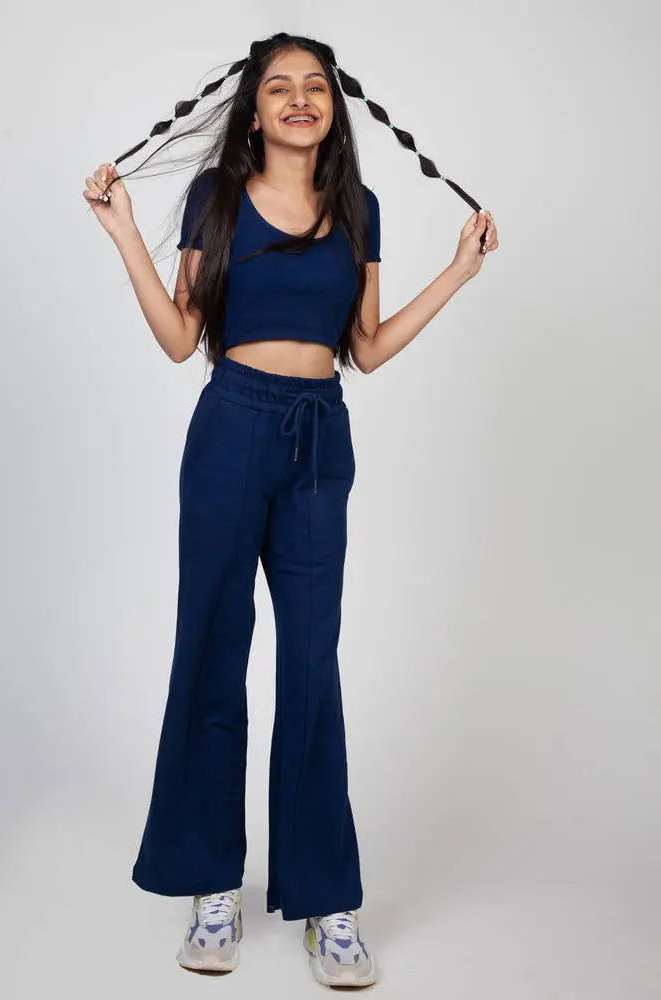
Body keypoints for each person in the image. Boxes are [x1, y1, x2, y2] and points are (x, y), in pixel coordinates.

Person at [82, 31, 498, 990]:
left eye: (315, 86)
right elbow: (180, 337)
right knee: (212, 649)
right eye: (280, 87)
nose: (301, 98)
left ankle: (324, 901)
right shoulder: (216, 199)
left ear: (333, 109)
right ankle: (211, 884)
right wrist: (123, 234)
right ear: (255, 111)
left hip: (319, 440)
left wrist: (458, 272)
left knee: (312, 664)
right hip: (231, 426)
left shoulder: (359, 208)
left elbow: (368, 347)